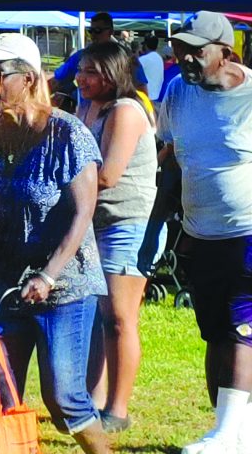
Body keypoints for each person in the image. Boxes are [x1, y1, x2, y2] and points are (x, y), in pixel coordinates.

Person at [0, 34, 110, 453]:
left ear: (28, 79)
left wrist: (48, 274)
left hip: (64, 285)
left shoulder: (68, 134)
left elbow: (83, 214)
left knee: (65, 399)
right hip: (2, 282)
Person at [156, 12, 252, 454]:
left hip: (247, 231)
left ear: (226, 54)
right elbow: (173, 155)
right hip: (200, 231)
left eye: (196, 50)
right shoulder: (178, 91)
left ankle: (226, 434)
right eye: (180, 48)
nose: (184, 57)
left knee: (240, 326)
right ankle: (233, 432)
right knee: (214, 331)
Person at [76, 41, 159, 433]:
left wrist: (63, 188)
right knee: (97, 316)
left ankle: (118, 409)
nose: (81, 78)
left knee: (120, 319)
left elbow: (107, 175)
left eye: (91, 71)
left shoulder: (126, 110)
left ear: (113, 74)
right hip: (97, 221)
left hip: (129, 222)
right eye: (80, 70)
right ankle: (92, 401)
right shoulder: (88, 105)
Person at [52, 13, 149, 111]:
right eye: (91, 31)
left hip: (116, 113)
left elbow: (142, 90)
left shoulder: (126, 58)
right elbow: (55, 81)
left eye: (98, 31)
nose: (93, 35)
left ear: (110, 31)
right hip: (85, 115)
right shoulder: (81, 56)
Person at [139, 35, 164, 104]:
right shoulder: (159, 58)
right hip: (158, 98)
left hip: (146, 99)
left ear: (146, 45)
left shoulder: (144, 59)